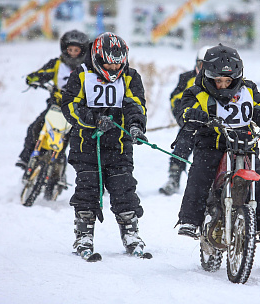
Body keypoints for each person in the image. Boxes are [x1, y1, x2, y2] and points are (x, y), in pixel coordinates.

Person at [175, 44, 260, 273]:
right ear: (207, 76)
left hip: (245, 147)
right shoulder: (195, 91)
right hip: (212, 145)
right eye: (217, 81)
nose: (222, 85)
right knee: (199, 178)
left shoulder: (248, 89)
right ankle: (189, 219)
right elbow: (184, 110)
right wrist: (192, 115)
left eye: (227, 81)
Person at [60, 32, 148, 260]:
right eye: (109, 62)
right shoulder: (82, 74)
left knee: (124, 189)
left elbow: (135, 105)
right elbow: (69, 106)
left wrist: (136, 126)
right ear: (98, 58)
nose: (113, 67)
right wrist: (94, 119)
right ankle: (83, 235)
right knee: (88, 189)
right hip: (86, 145)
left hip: (119, 145)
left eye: (118, 62)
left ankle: (131, 233)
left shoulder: (130, 77)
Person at [15, 29, 89, 186]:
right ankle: (25, 157)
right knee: (35, 128)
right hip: (55, 106)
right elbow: (41, 73)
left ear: (83, 51)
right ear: (64, 49)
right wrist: (32, 79)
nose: (73, 53)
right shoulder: (56, 64)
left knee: (71, 140)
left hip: (75, 111)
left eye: (77, 50)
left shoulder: (87, 68)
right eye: (70, 50)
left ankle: (61, 172)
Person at [159, 45, 212, 196]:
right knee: (181, 148)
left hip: (212, 128)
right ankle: (174, 178)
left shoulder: (221, 82)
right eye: (202, 65)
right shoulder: (187, 78)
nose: (204, 70)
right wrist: (183, 119)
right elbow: (175, 99)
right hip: (191, 125)